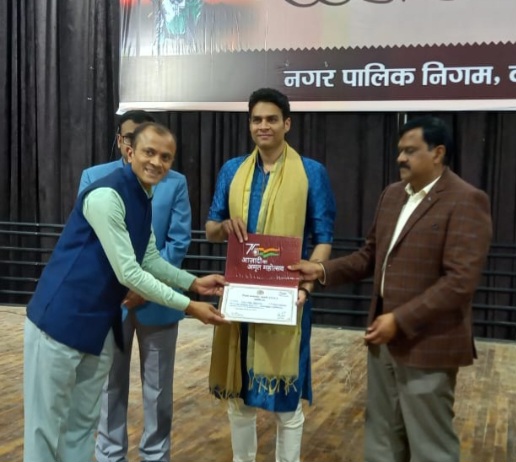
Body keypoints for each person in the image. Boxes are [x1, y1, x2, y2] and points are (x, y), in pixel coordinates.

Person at [290, 116, 493, 462]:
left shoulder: (466, 200)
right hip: (383, 340)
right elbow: (369, 256)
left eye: (410, 151)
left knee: (431, 447)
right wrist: (321, 269)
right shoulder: (392, 195)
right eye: (400, 150)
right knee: (382, 439)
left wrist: (399, 320)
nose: (400, 158)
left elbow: (460, 282)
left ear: (438, 153)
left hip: (429, 345)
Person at [23, 122, 228, 462]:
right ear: (130, 151)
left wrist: (193, 283)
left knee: (81, 426)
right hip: (58, 323)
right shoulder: (106, 195)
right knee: (44, 429)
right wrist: (191, 306)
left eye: (165, 157)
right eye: (149, 152)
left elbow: (149, 258)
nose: (157, 162)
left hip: (98, 326)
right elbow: (129, 271)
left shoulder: (143, 196)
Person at [205, 88, 336, 462]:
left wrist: (306, 288)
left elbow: (324, 239)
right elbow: (211, 229)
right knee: (239, 399)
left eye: (272, 119)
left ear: (287, 124)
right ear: (250, 125)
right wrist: (224, 227)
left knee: (286, 405)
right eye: (257, 120)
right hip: (241, 297)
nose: (264, 126)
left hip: (288, 298)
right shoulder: (233, 170)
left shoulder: (311, 173)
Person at [79, 111, 192, 462]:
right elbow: (92, 241)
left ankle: (155, 455)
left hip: (158, 304)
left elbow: (177, 241)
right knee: (109, 386)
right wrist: (125, 284)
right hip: (111, 302)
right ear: (121, 142)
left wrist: (146, 286)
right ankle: (109, 454)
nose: (138, 148)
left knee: (159, 390)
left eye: (148, 143)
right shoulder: (95, 178)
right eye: (130, 138)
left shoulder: (175, 182)